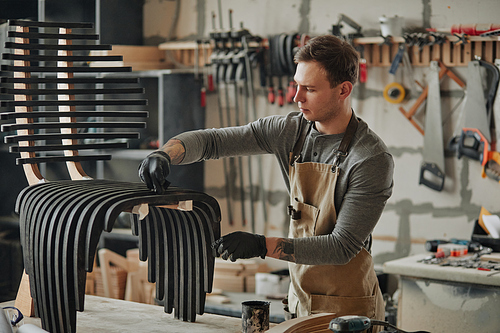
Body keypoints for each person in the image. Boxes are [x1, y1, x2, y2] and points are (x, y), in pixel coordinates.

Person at [138, 35, 394, 326]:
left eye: (309, 89)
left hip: (348, 310)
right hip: (300, 298)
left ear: (343, 90)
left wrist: (261, 245)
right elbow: (213, 142)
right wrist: (167, 153)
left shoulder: (370, 159)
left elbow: (341, 246)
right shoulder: (290, 131)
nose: (297, 97)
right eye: (296, 85)